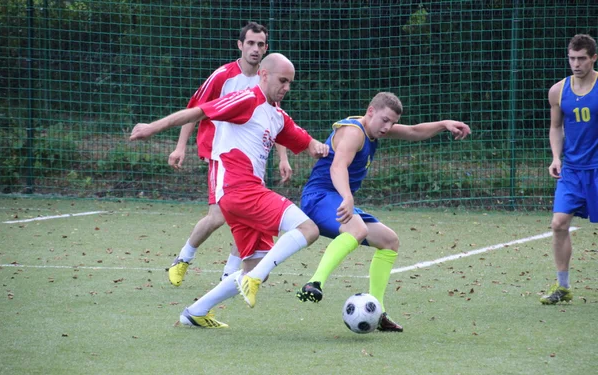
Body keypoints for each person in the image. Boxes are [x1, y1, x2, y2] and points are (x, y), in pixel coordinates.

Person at [130, 53, 329, 328]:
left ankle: (195, 312)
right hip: (239, 190)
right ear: (263, 75)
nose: (287, 87)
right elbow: (199, 111)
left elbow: (303, 139)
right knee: (309, 229)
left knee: (255, 267)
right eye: (282, 80)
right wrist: (154, 127)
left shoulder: (277, 115)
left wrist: (318, 146)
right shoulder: (247, 99)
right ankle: (251, 279)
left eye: (290, 83)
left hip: (242, 196)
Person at [296, 92, 471, 332]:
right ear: (371, 111)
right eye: (385, 120)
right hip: (319, 197)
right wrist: (347, 197)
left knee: (389, 241)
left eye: (392, 122)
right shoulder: (354, 132)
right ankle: (314, 283)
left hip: (338, 197)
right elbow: (338, 167)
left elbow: (413, 132)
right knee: (358, 229)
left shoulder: (374, 129)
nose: (388, 127)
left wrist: (443, 125)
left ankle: (377, 312)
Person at [166, 21, 293, 287]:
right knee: (218, 216)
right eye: (250, 43)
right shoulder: (223, 76)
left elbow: (277, 120)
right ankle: (183, 259)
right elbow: (195, 109)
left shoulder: (268, 78)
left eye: (260, 44)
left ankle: (229, 276)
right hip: (220, 156)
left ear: (266, 48)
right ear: (240, 45)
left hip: (253, 160)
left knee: (250, 217)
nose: (255, 49)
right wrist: (181, 146)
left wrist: (283, 158)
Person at [541, 33, 598, 305]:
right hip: (572, 170)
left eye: (582, 59)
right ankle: (562, 287)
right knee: (558, 224)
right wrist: (556, 157)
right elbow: (555, 127)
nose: (576, 64)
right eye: (572, 58)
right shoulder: (558, 91)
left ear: (593, 58)